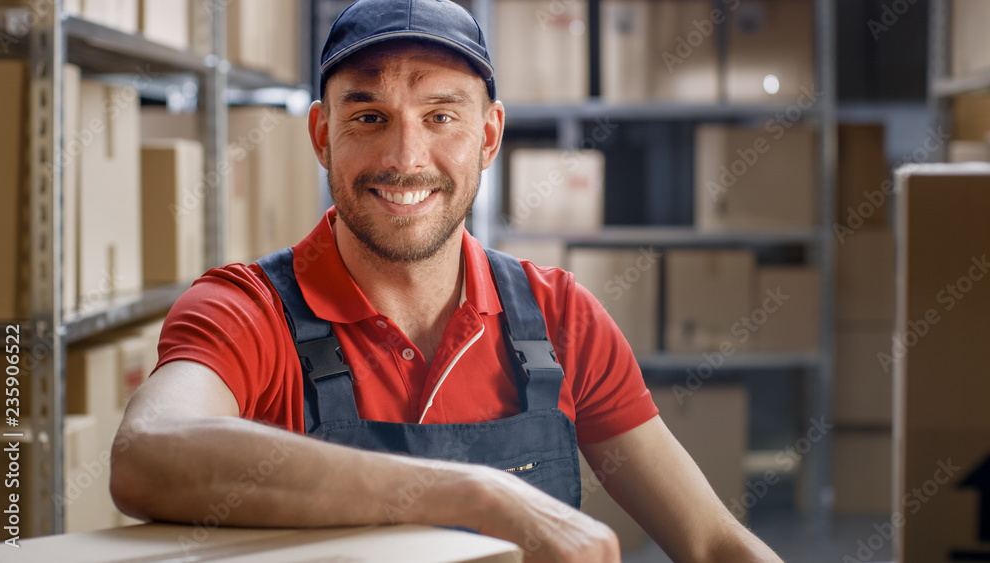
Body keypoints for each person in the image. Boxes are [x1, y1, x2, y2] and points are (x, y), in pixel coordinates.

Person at [110, 0, 783, 561]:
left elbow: (711, 542)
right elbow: (147, 453)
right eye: (369, 116)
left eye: (441, 116)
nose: (405, 158)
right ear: (322, 136)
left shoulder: (560, 318)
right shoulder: (246, 310)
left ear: (489, 136)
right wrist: (480, 494)